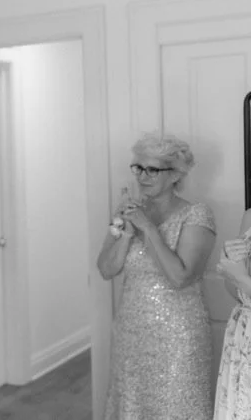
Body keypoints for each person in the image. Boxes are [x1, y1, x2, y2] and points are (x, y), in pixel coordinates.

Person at [98, 133, 216, 419]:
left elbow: (180, 277)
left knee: (176, 406)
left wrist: (148, 228)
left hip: (179, 336)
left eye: (152, 169)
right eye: (138, 167)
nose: (142, 176)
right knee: (132, 405)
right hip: (131, 330)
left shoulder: (196, 214)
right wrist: (126, 234)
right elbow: (106, 269)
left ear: (176, 174)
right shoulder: (128, 211)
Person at [214, 209, 251, 419]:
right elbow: (235, 292)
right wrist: (231, 270)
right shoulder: (250, 217)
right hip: (242, 341)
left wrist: (242, 278)